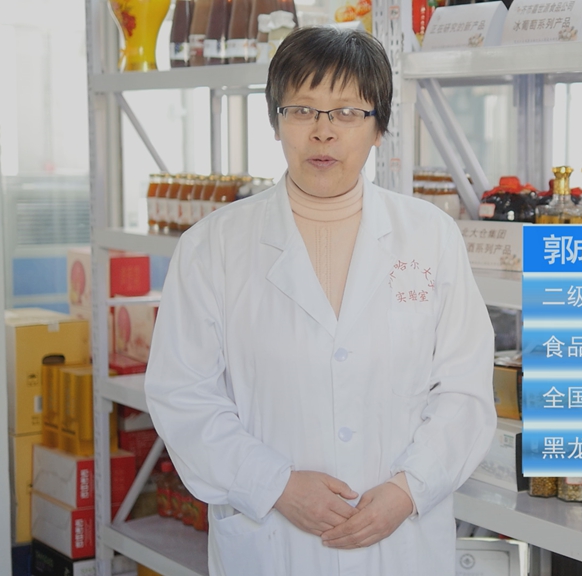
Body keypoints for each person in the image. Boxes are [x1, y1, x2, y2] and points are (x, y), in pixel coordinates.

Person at [144, 26, 496, 576]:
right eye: (302, 110)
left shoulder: (430, 236)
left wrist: (408, 489)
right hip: (273, 542)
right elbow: (182, 395)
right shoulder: (213, 245)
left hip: (400, 543)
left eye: (348, 112)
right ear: (275, 121)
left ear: (379, 127)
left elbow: (465, 390)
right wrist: (275, 485)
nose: (323, 131)